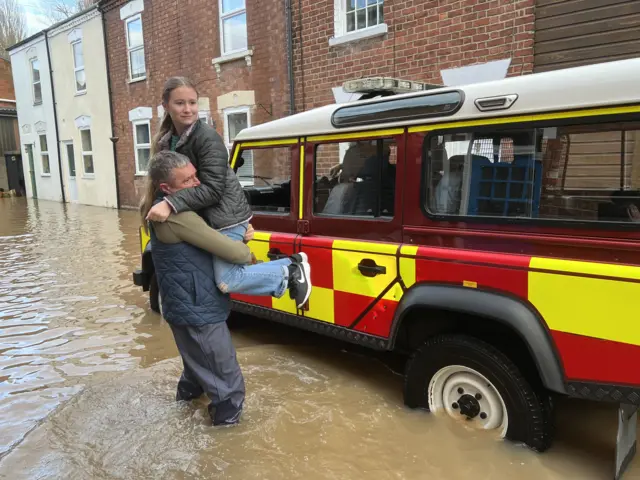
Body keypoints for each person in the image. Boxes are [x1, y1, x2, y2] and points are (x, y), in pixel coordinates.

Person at [140, 150, 308, 426]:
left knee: (195, 375)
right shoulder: (178, 217)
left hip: (180, 308)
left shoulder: (163, 210)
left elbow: (201, 244)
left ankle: (181, 420)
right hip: (199, 312)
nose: (197, 184)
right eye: (187, 181)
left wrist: (238, 235)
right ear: (166, 189)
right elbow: (233, 254)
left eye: (196, 176)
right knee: (228, 388)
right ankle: (225, 448)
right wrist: (241, 241)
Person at [144, 76, 311, 308]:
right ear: (166, 106)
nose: (188, 109)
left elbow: (213, 189)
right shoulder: (168, 140)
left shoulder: (207, 138)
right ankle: (288, 266)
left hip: (224, 217)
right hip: (212, 217)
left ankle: (290, 270)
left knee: (228, 281)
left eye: (192, 103)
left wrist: (170, 204)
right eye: (180, 103)